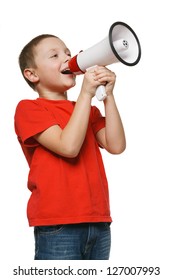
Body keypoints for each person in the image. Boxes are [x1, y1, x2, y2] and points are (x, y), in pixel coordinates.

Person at [14, 34, 126, 260]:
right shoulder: (28, 109)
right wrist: (86, 93)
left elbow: (116, 145)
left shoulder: (88, 111)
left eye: (67, 52)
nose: (67, 58)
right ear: (32, 74)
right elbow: (68, 147)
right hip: (58, 224)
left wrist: (108, 97)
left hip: (99, 222)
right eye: (54, 55)